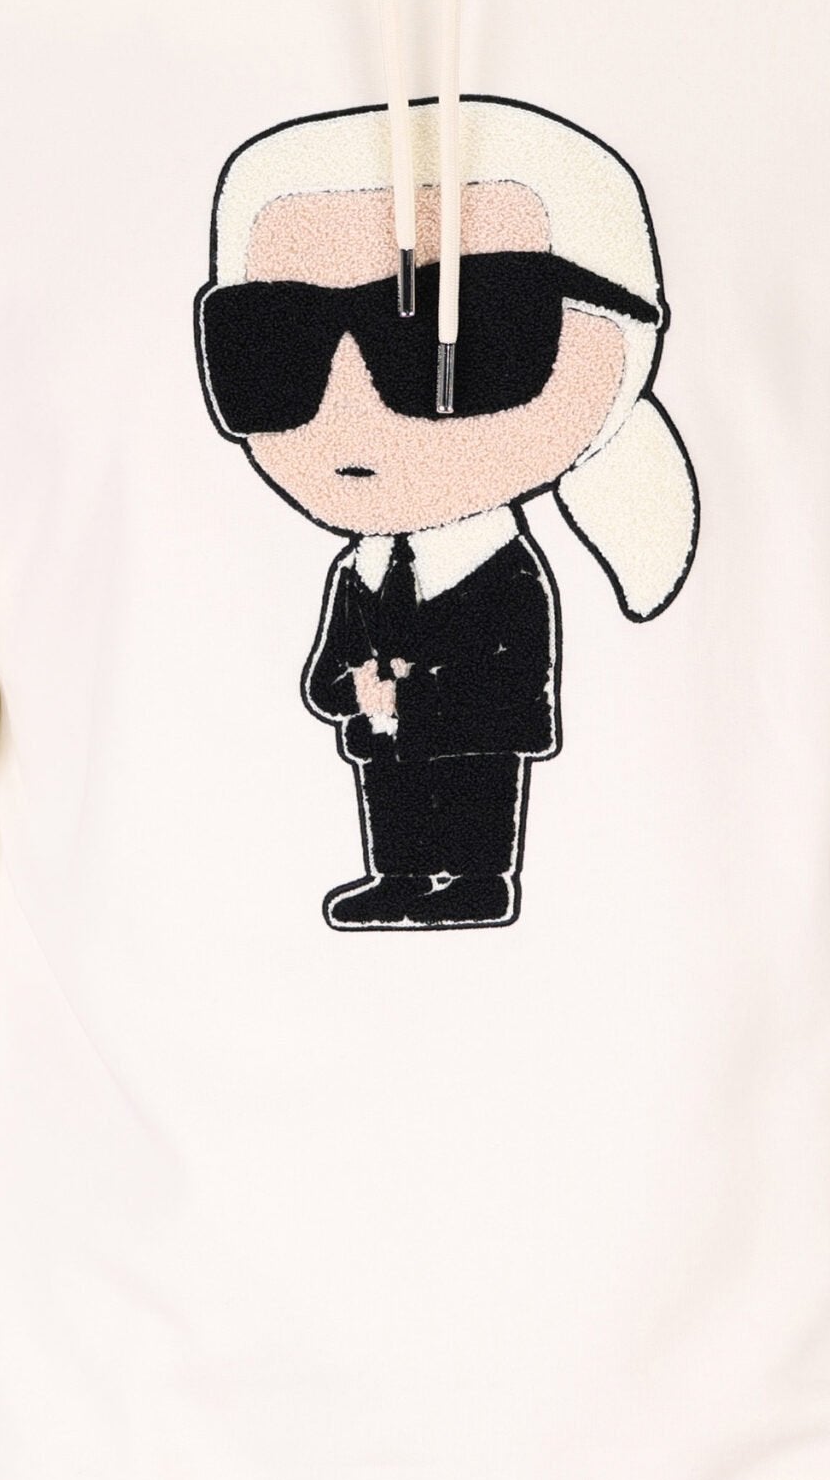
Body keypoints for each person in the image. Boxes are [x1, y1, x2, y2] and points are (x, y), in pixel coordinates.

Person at [196, 95, 699, 928]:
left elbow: (514, 675)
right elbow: (331, 661)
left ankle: (477, 880)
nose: (351, 399)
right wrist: (348, 690)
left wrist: (411, 693)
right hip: (381, 737)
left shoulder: (506, 575)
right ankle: (398, 876)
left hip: (472, 741)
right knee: (390, 801)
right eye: (275, 347)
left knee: (473, 799)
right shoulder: (359, 571)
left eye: (470, 332)